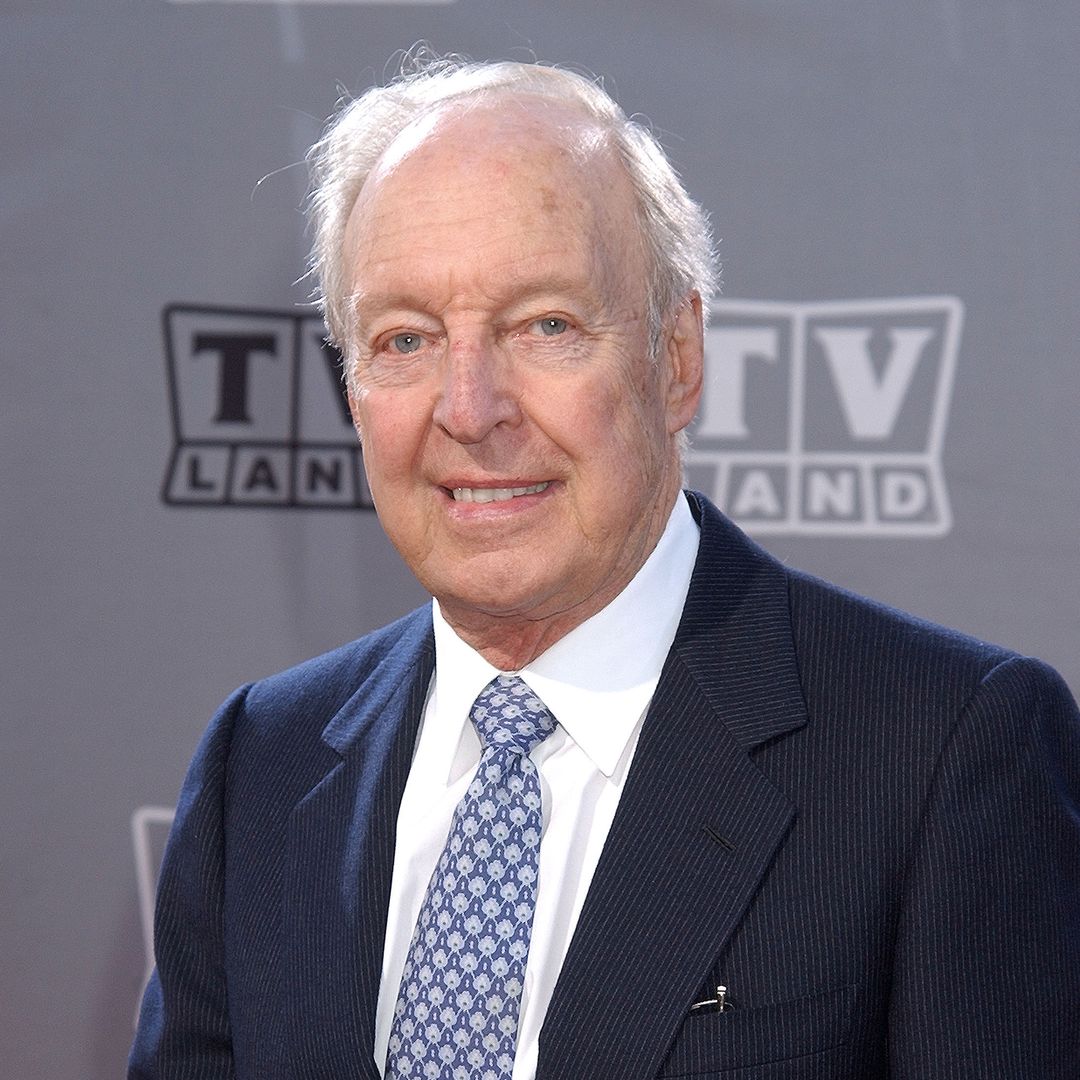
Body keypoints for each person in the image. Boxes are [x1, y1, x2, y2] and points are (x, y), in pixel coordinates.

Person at [129, 57, 1080, 1080]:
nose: (470, 407)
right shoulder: (261, 763)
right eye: (404, 339)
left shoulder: (942, 750)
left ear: (676, 361)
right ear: (354, 389)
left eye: (545, 325)